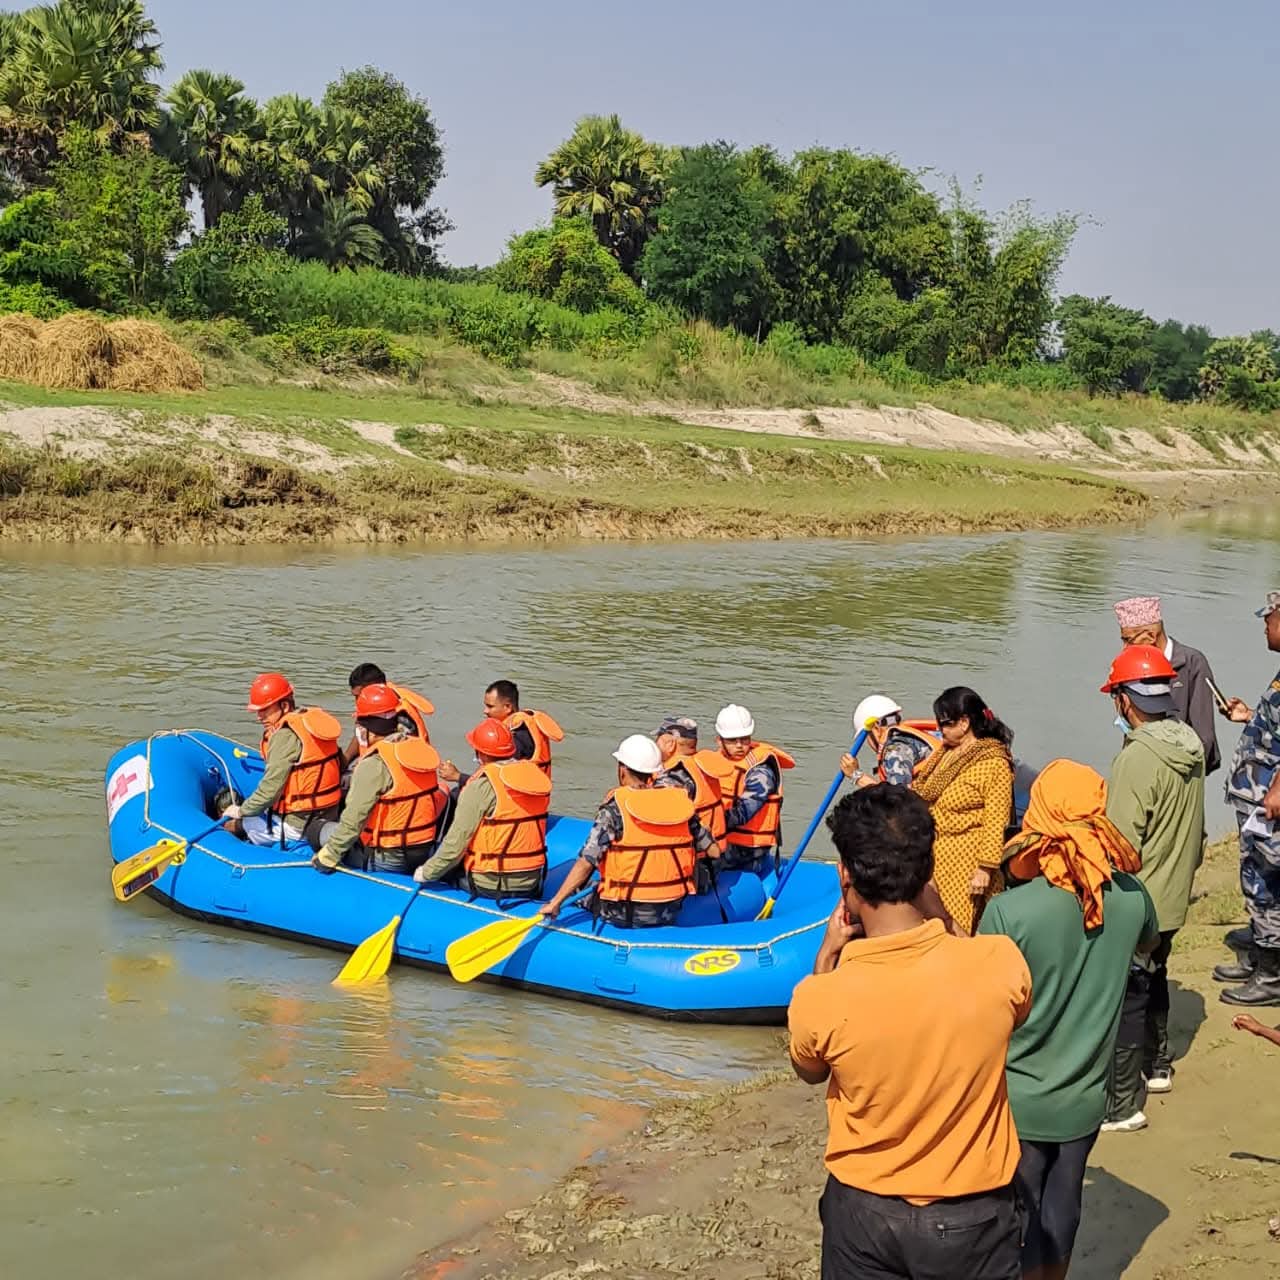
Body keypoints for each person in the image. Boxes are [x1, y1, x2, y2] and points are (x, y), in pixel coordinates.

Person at [788, 785, 1031, 1280]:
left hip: (865, 1210)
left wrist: (826, 957)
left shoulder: (822, 996)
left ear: (846, 877)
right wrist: (939, 913)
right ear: (927, 874)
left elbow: (808, 1070)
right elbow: (1014, 1010)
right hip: (975, 1211)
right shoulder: (999, 962)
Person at [979, 760, 1159, 1280]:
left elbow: (984, 1001)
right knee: (1064, 1201)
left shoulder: (1010, 913)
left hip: (1018, 1095)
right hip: (1085, 1094)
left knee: (1014, 1211)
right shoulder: (1130, 898)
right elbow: (1148, 941)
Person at [1100, 644, 1205, 1128]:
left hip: (1138, 896)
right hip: (1174, 889)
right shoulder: (1188, 741)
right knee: (1156, 972)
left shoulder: (1138, 757)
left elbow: (1119, 844)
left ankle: (1122, 1104)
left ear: (1125, 699)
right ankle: (1157, 1064)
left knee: (1127, 992)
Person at [541, 735, 713, 928]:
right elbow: (712, 850)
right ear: (654, 773)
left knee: (577, 890)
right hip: (670, 906)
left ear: (623, 770)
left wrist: (556, 902)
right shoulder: (681, 805)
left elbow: (587, 861)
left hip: (625, 911)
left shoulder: (614, 810)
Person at [1217, 591, 1280, 1005]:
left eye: (1269, 620)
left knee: (1269, 880)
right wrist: (1248, 716)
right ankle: (1260, 950)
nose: (1264, 627)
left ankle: (1271, 977)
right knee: (1256, 874)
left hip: (1269, 798)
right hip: (1255, 792)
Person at [910, 687, 1014, 934]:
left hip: (966, 862)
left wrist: (984, 869)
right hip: (934, 856)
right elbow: (922, 792)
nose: (940, 730)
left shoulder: (994, 763)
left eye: (945, 723)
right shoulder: (945, 755)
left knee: (957, 927)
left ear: (964, 723)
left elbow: (995, 820)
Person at [312, 684, 447, 875]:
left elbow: (354, 819)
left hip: (385, 858)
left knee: (316, 829)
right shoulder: (418, 750)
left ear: (370, 730)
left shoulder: (374, 764)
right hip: (421, 851)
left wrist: (330, 855)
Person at [412, 718, 550, 900]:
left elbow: (455, 844)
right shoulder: (533, 780)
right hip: (532, 881)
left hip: (489, 883)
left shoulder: (480, 787)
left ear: (482, 754)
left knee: (439, 868)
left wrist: (427, 872)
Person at [222, 673, 343, 847]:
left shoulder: (284, 736)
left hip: (297, 826)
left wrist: (241, 811)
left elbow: (269, 792)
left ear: (284, 705)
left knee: (232, 826)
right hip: (327, 814)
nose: (259, 716)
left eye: (265, 710)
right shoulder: (311, 724)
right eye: (258, 711)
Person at [1114, 595, 1221, 774]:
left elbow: (1204, 737)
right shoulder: (1130, 665)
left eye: (1128, 640)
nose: (1125, 648)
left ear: (1150, 636)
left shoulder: (1191, 663)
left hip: (1181, 772)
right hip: (1139, 767)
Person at [715, 704, 795, 873]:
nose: (739, 745)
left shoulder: (760, 771)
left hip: (748, 848)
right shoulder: (715, 762)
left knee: (700, 863)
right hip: (724, 838)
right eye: (732, 740)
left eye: (744, 739)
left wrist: (709, 825)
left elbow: (744, 811)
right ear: (719, 741)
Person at [441, 680, 565, 783]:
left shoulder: (516, 739)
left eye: (490, 706)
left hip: (513, 803)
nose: (485, 711)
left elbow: (492, 784)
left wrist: (457, 776)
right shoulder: (522, 727)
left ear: (507, 707)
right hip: (534, 800)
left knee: (452, 796)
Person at [654, 715, 732, 844]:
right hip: (714, 849)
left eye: (658, 739)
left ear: (670, 744)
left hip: (693, 854)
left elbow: (662, 816)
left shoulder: (675, 775)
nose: (656, 744)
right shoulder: (702, 767)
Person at [839, 694, 939, 789]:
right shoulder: (926, 734)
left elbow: (897, 801)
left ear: (876, 728)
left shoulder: (894, 751)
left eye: (867, 738)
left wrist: (857, 776)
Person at [342, 663, 434, 765]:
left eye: (360, 696)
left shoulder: (401, 717)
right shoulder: (373, 705)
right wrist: (347, 757)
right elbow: (363, 730)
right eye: (355, 696)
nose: (357, 701)